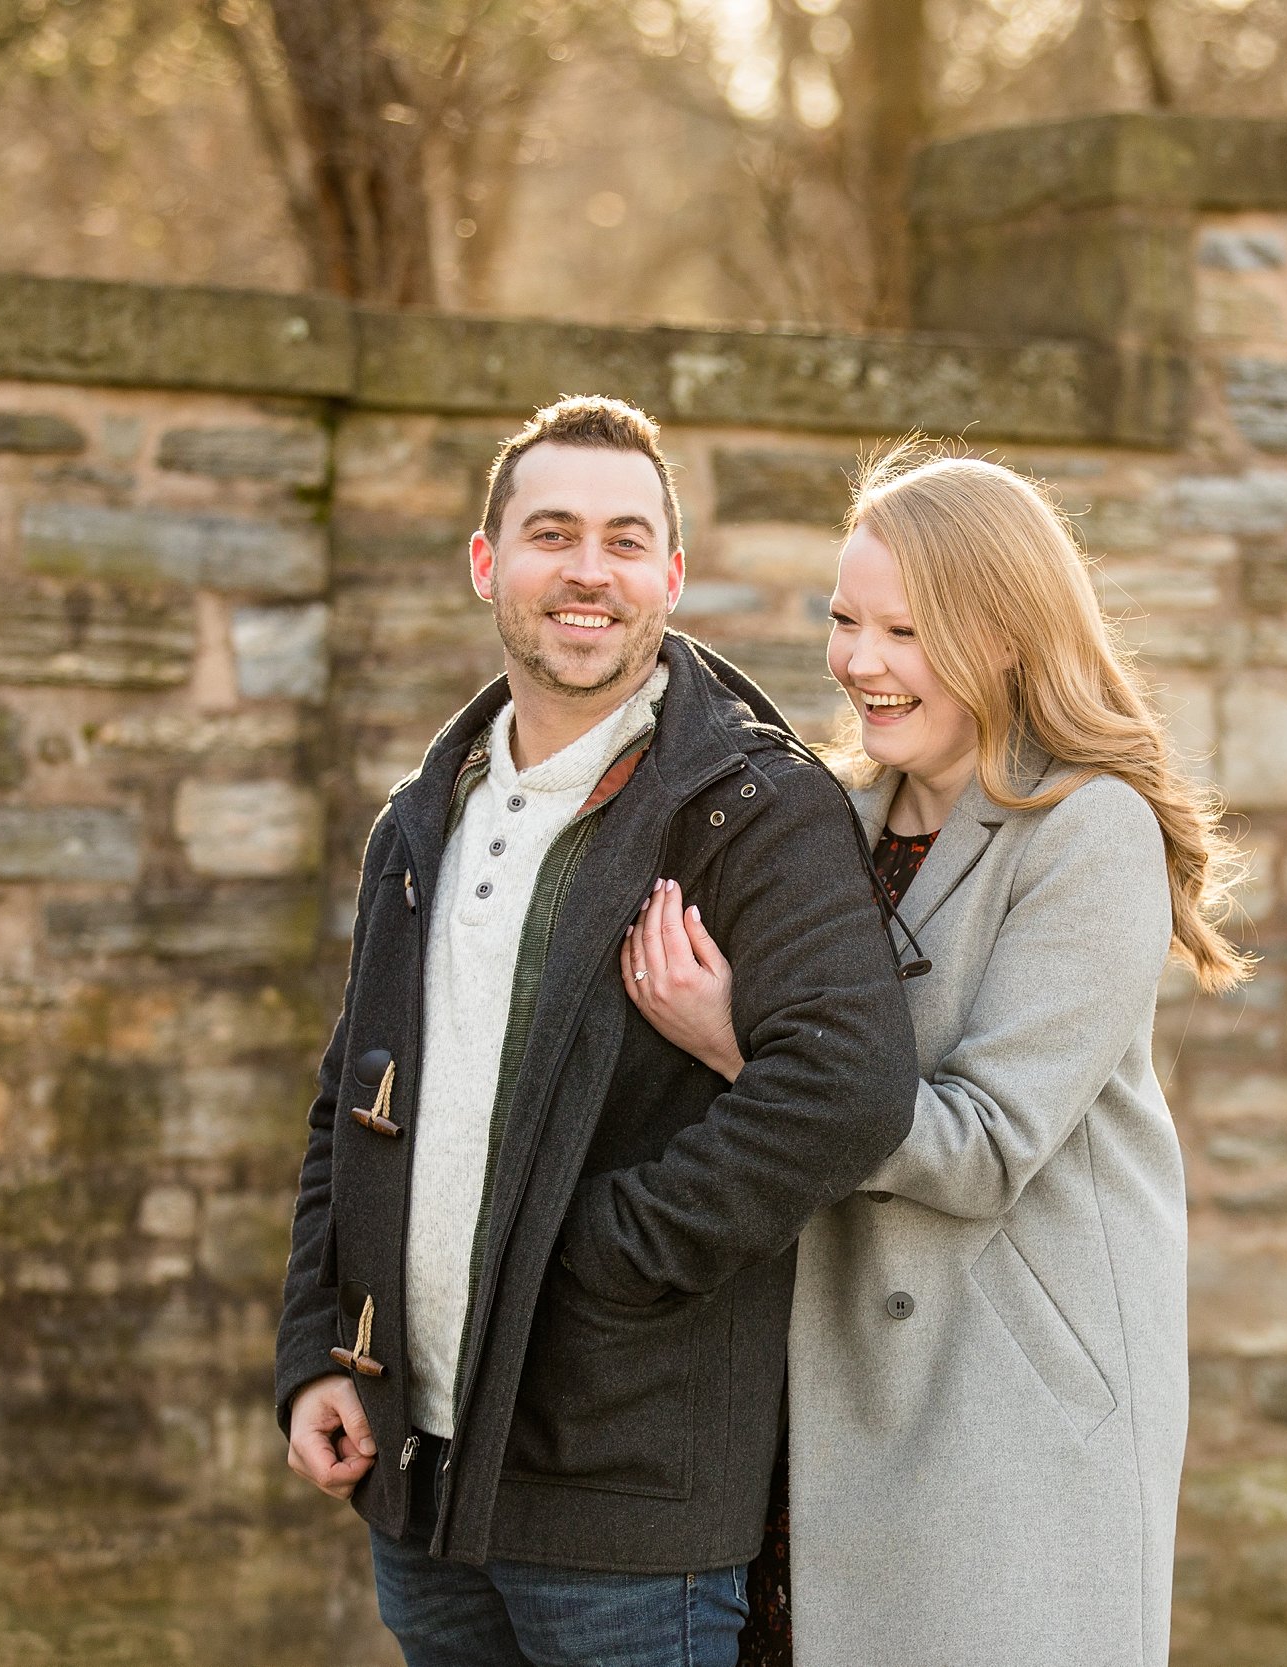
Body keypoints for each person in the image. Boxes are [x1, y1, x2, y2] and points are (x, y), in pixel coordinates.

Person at [273, 395, 917, 1667]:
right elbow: (351, 1100)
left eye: (627, 541)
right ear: (485, 563)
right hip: (423, 1484)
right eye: (551, 532)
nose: (588, 570)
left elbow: (848, 1085)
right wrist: (317, 1347)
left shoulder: (754, 808)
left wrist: (597, 1254)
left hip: (630, 1507)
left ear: (670, 576)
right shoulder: (421, 815)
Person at [623, 445, 1253, 1667]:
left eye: (906, 630)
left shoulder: (1089, 831)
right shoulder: (825, 820)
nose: (859, 661)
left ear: (1005, 636)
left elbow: (983, 1146)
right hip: (815, 1393)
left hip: (1004, 1409)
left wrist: (741, 1041)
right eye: (846, 619)